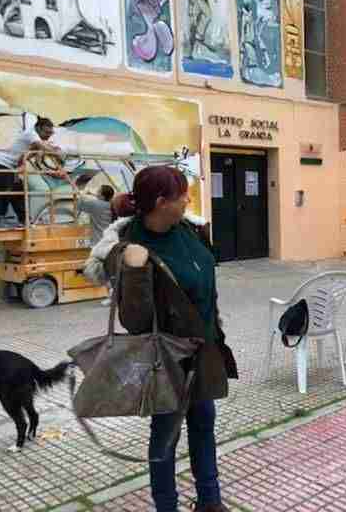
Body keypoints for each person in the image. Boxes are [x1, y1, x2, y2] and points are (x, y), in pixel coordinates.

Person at [84, 166, 237, 512]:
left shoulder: (189, 230)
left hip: (203, 350)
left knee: (204, 425)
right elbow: (135, 322)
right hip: (166, 359)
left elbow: (206, 286)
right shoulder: (131, 246)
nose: (188, 199)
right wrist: (135, 272)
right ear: (160, 202)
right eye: (182, 194)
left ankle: (210, 502)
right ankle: (166, 506)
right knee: (166, 437)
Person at [0, 115, 63, 227]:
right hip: (1, 163)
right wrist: (58, 155)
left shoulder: (35, 141)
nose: (48, 136)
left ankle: (25, 220)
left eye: (51, 134)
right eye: (47, 133)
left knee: (19, 191)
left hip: (10, 167)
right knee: (3, 192)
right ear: (39, 128)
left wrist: (18, 171)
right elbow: (44, 147)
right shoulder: (31, 134)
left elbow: (25, 158)